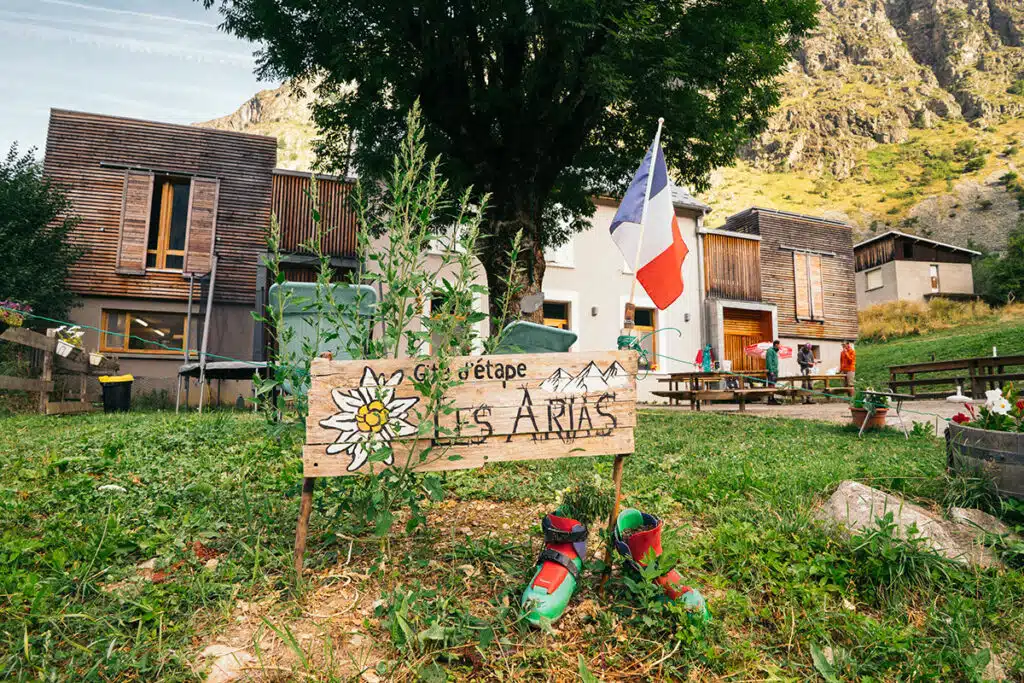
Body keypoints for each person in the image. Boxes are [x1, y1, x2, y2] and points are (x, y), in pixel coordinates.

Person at [765, 340, 781, 405]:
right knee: (771, 385)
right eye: (779, 345)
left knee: (773, 385)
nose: (779, 346)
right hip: (771, 371)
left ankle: (772, 398)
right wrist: (771, 371)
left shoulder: (774, 351)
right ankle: (770, 399)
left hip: (775, 371)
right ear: (776, 345)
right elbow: (769, 361)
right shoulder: (770, 351)